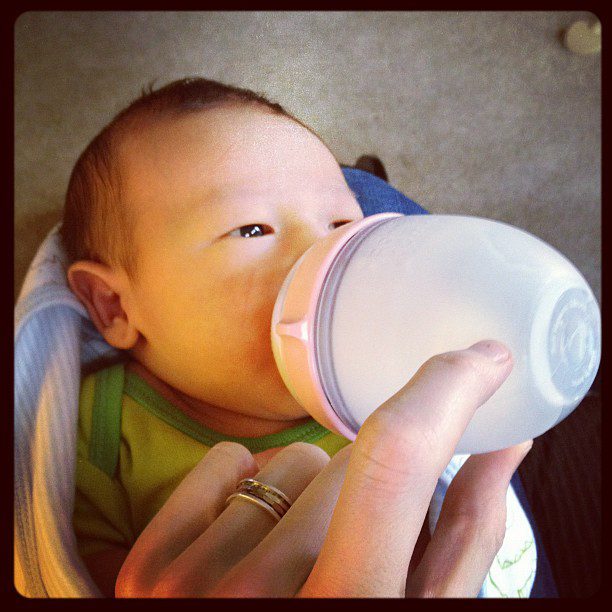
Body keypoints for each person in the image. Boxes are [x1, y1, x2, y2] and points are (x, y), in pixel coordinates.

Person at [62, 77, 534, 597]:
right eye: (251, 229)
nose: (324, 255)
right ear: (114, 305)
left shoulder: (374, 386)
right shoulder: (100, 425)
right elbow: (74, 565)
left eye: (342, 223)